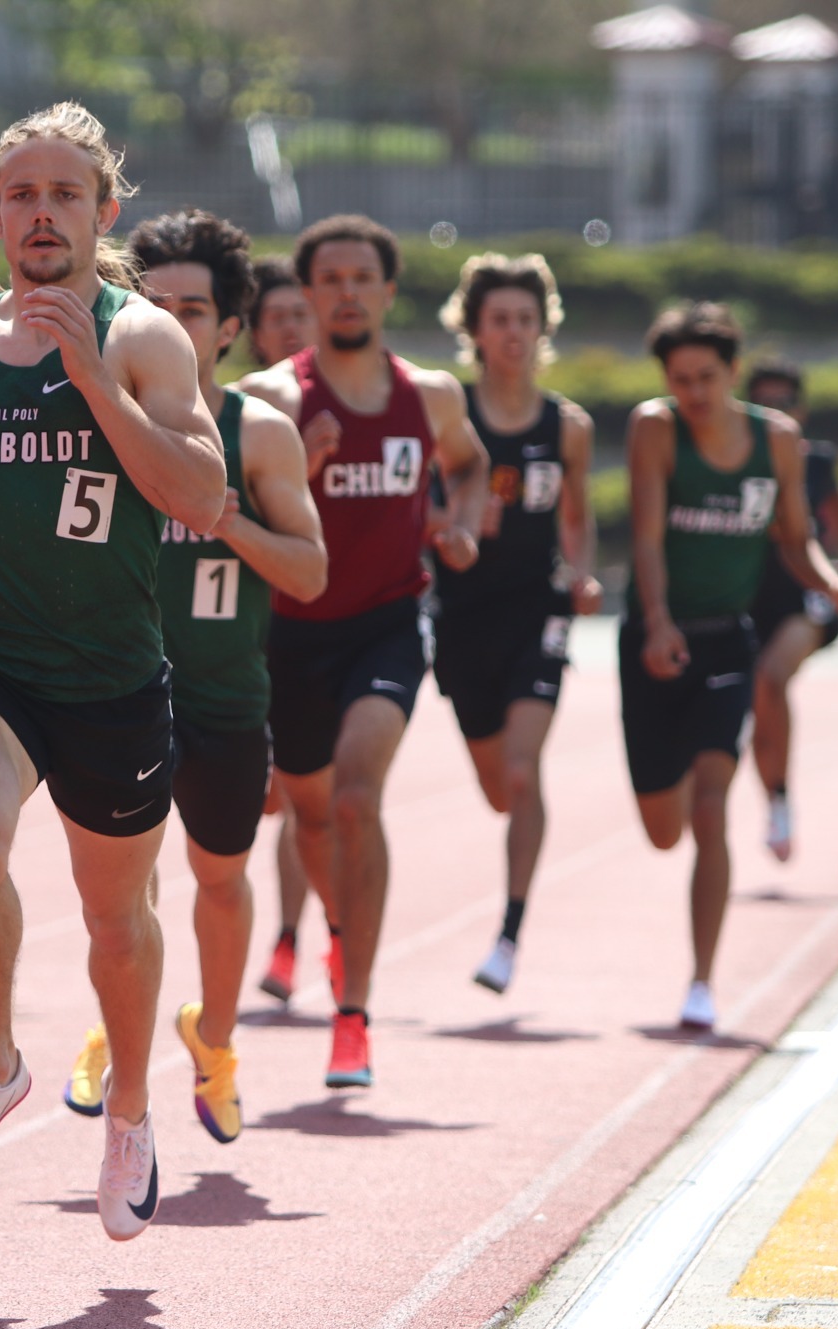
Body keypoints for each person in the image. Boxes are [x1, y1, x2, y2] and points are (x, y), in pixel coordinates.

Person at [0, 102, 227, 1241]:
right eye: (20, 194)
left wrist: (95, 380)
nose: (40, 213)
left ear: (101, 210)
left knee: (114, 918)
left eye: (64, 194)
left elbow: (200, 497)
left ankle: (128, 1105)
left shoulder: (141, 340)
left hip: (110, 673)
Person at [62, 210, 326, 1143]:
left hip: (223, 698)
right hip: (119, 688)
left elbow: (308, 572)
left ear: (227, 328)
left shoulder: (260, 435)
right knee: (119, 891)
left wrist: (221, 517)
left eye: (194, 308)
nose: (171, 321)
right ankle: (115, 1030)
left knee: (219, 878)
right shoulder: (95, 417)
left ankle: (214, 1043)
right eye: (153, 303)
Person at [243, 215, 489, 1088]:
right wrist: (295, 474)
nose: (347, 292)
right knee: (311, 816)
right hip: (292, 630)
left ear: (389, 291)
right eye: (330, 279)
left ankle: (354, 1013)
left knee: (355, 796)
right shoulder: (269, 399)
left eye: (363, 278)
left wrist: (458, 524)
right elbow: (226, 515)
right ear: (306, 296)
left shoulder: (432, 396)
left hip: (389, 620)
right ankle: (342, 939)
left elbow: (469, 465)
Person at [622, 305, 838, 1033]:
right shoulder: (655, 428)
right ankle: (696, 961)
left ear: (733, 373)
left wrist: (832, 584)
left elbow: (795, 540)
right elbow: (646, 538)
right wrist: (659, 622)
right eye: (680, 379)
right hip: (656, 641)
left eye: (706, 377)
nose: (693, 391)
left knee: (710, 805)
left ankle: (702, 981)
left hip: (728, 639)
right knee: (663, 826)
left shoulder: (777, 440)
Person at [429, 254, 602, 995]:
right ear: (474, 329)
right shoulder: (449, 416)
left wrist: (583, 571)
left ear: (543, 327)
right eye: (499, 319)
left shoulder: (568, 426)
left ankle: (509, 932)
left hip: (540, 611)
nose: (513, 333)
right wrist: (453, 524)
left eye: (525, 320)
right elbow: (416, 506)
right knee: (500, 787)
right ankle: (509, 913)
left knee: (525, 774)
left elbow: (577, 513)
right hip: (465, 618)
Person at [238, 258, 323, 1004]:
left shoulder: (352, 400)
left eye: (305, 312)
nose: (293, 326)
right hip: (246, 627)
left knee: (302, 797)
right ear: (255, 330)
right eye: (279, 316)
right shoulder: (235, 413)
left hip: (325, 627)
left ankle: (294, 939)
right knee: (259, 799)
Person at [741, 361, 838, 862]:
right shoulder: (733, 460)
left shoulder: (817, 463)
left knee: (771, 679)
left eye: (784, 404)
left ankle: (783, 797)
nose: (776, 413)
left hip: (806, 597)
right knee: (756, 704)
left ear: (801, 409)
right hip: (750, 597)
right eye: (763, 405)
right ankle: (773, 801)